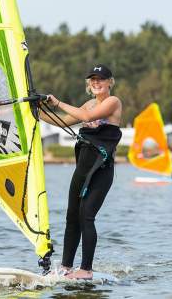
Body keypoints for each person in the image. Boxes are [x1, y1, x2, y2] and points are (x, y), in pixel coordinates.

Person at [40, 64, 122, 279]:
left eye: (100, 79)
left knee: (87, 216)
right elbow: (64, 121)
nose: (96, 83)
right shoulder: (88, 104)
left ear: (109, 82)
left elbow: (86, 117)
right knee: (71, 216)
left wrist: (57, 102)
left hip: (101, 170)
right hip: (82, 168)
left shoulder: (113, 102)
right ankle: (66, 267)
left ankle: (85, 270)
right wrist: (38, 112)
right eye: (92, 80)